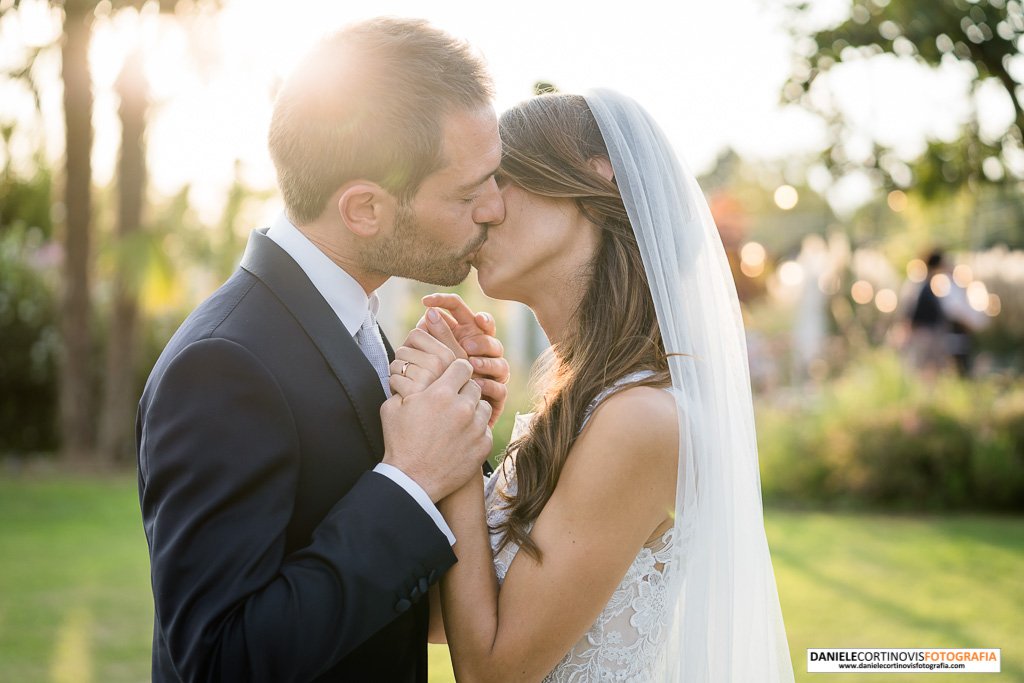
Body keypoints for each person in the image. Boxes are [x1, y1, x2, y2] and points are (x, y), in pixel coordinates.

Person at [136, 18, 511, 682]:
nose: (496, 207)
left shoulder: (353, 323)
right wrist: (413, 478)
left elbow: (386, 598)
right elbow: (220, 661)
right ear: (364, 209)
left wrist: (459, 434)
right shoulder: (224, 367)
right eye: (467, 191)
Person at [398, 91, 794, 680]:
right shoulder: (581, 402)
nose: (478, 208)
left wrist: (460, 452)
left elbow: (490, 672)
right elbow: (446, 619)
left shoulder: (641, 418)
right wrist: (458, 423)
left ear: (593, 181)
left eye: (500, 177)